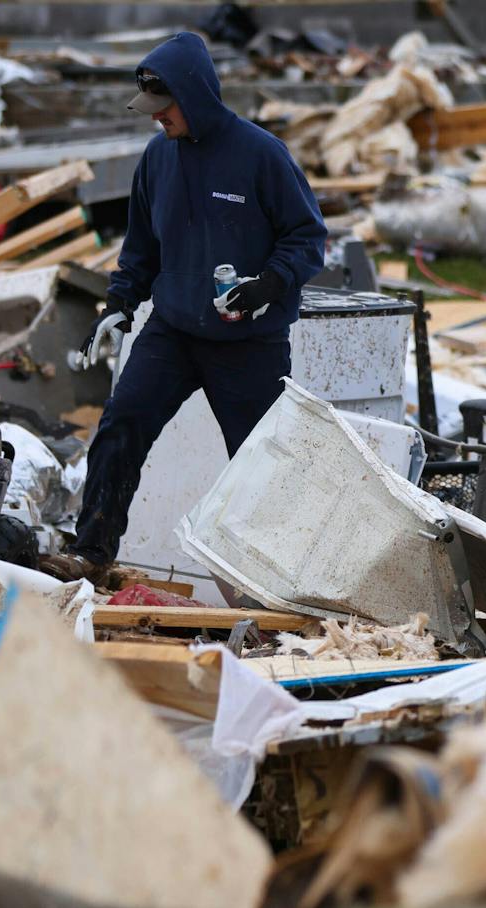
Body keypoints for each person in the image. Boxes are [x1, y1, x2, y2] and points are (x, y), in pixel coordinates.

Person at [44, 32, 325, 582]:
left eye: (163, 106)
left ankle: (278, 579)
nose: (156, 117)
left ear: (193, 95)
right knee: (121, 423)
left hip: (248, 342)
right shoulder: (157, 159)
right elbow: (140, 250)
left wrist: (268, 285)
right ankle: (91, 553)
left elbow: (307, 238)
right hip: (172, 330)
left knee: (260, 459)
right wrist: (118, 306)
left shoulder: (261, 154)